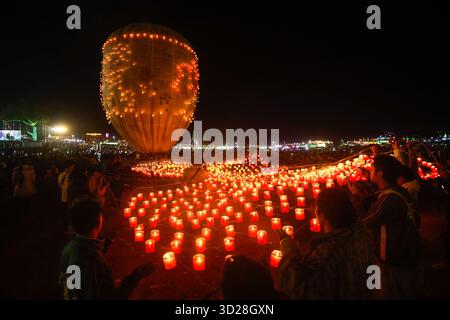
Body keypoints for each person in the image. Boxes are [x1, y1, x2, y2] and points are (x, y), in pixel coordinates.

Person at [277, 189, 376, 299]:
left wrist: (288, 246)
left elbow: (300, 289)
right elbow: (374, 274)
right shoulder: (364, 235)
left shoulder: (328, 251)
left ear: (322, 214)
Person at [350, 155, 422, 299]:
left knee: (381, 292)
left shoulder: (390, 200)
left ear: (380, 174)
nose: (369, 171)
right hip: (400, 256)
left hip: (392, 261)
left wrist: (356, 196)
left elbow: (364, 221)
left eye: (372, 169)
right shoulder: (398, 191)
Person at [59, 196, 154, 299]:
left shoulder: (68, 249)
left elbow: (75, 284)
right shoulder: (95, 263)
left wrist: (107, 243)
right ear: (98, 222)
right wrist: (136, 275)